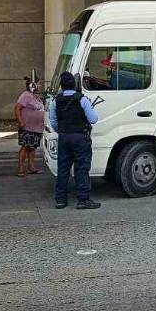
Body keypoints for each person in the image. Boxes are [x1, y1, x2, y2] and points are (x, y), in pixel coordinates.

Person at [48, 71, 101, 210]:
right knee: (81, 168)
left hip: (64, 137)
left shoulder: (56, 101)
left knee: (63, 168)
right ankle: (83, 200)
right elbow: (93, 119)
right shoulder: (82, 99)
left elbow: (53, 121)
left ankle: (60, 200)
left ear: (62, 86)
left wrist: (62, 130)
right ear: (75, 84)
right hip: (79, 137)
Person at [14, 76, 45, 176]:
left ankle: (31, 167)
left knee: (32, 147)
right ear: (33, 85)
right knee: (25, 146)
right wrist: (20, 122)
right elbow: (17, 108)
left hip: (36, 128)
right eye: (39, 83)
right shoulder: (25, 95)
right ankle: (20, 168)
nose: (40, 85)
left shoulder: (35, 96)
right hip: (27, 127)